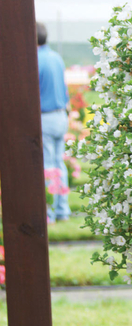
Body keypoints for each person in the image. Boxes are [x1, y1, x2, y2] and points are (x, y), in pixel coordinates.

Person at [37, 22, 71, 223]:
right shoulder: (56, 58)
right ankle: (62, 210)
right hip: (61, 116)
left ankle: (48, 212)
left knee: (48, 166)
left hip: (46, 117)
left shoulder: (35, 59)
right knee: (59, 164)